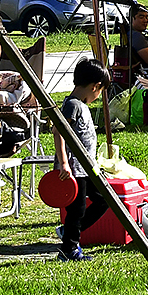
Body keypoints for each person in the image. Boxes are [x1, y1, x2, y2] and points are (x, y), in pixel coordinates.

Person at [54, 59, 114, 261]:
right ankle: (68, 249)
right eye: (100, 91)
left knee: (104, 199)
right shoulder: (72, 105)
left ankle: (68, 232)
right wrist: (63, 164)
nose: (98, 96)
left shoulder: (80, 105)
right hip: (73, 169)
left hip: (86, 169)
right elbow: (58, 131)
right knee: (76, 210)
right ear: (95, 86)